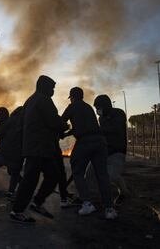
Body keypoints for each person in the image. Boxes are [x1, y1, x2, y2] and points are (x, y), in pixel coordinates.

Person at [10, 75, 67, 224]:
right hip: (39, 147)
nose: (53, 90)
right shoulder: (44, 100)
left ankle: (36, 203)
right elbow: (53, 121)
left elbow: (20, 124)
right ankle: (17, 211)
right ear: (44, 86)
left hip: (35, 146)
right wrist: (64, 125)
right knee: (31, 179)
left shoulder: (30, 100)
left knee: (52, 174)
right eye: (52, 87)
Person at [61, 87, 117, 220]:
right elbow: (83, 126)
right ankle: (109, 209)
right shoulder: (88, 108)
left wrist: (60, 132)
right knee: (102, 175)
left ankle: (87, 203)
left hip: (85, 142)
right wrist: (69, 133)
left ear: (72, 97)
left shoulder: (73, 106)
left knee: (78, 172)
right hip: (100, 142)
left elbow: (62, 121)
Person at [93, 94, 129, 204]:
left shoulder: (119, 113)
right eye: (96, 108)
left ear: (106, 106)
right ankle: (91, 197)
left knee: (112, 175)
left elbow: (115, 129)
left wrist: (98, 130)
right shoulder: (101, 118)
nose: (97, 111)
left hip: (118, 150)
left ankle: (123, 192)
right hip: (105, 150)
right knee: (93, 173)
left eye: (98, 108)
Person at [0, 106, 25, 199]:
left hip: (9, 150)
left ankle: (14, 190)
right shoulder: (26, 121)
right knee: (14, 172)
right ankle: (12, 191)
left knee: (13, 172)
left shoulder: (11, 120)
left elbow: (0, 132)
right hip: (19, 151)